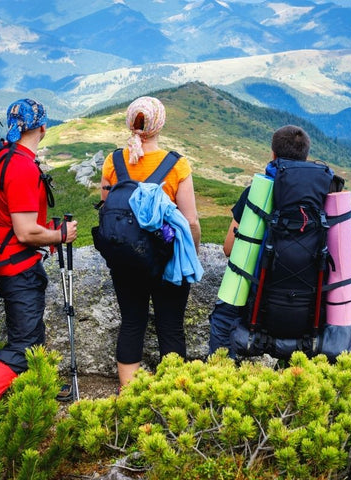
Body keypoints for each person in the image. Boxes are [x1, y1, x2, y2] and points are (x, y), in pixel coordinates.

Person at [0, 98, 78, 404]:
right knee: (22, 343)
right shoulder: (22, 167)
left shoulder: (4, 156)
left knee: (32, 331)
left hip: (3, 259)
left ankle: (37, 389)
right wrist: (59, 235)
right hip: (16, 267)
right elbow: (26, 232)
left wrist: (47, 231)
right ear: (42, 127)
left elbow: (10, 215)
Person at [99, 96, 201, 388]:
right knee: (171, 327)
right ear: (160, 124)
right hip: (166, 257)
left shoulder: (113, 161)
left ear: (131, 122)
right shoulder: (177, 165)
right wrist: (191, 253)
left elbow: (107, 208)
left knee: (132, 323)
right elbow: (190, 220)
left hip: (127, 258)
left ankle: (129, 395)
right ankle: (172, 397)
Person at [209, 125, 312, 358]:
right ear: (306, 157)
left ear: (272, 155)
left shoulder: (256, 192)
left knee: (224, 318)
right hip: (302, 298)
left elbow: (229, 248)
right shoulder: (318, 198)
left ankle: (224, 378)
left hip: (253, 290)